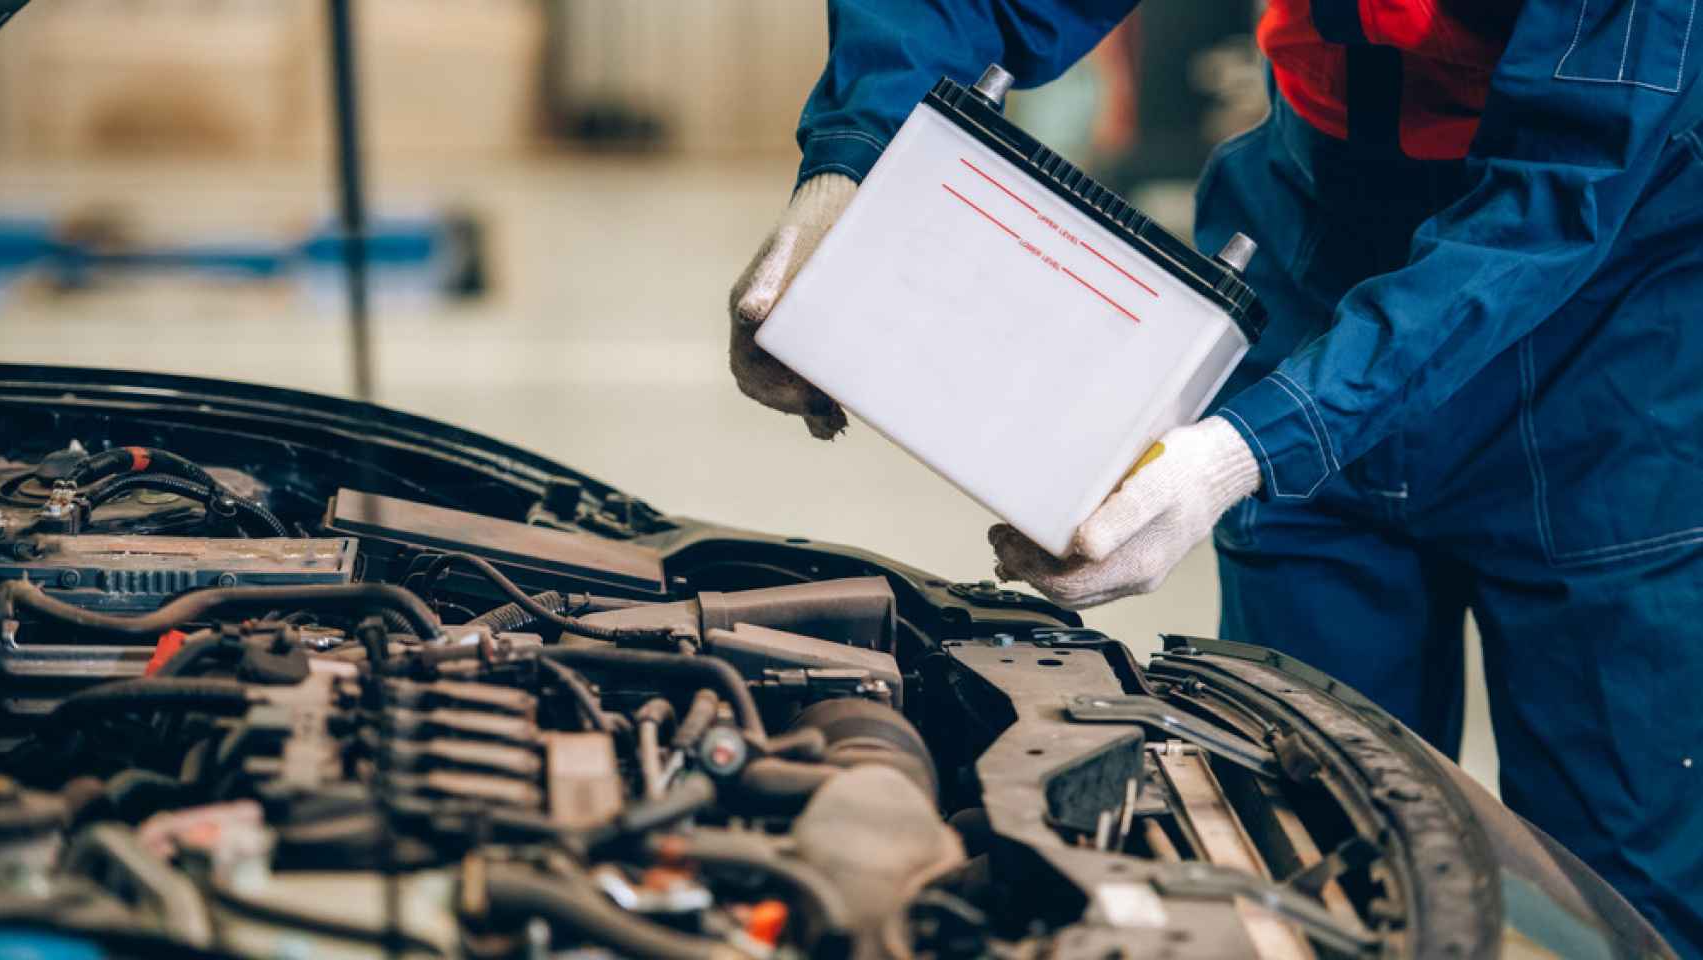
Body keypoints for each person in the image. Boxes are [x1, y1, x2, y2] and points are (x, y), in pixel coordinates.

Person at [726, 1, 1703, 953]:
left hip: (1598, 345)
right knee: (1304, 848)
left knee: (1612, 892)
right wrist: (854, 163)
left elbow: (1559, 190)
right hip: (1312, 244)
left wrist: (1244, 448)